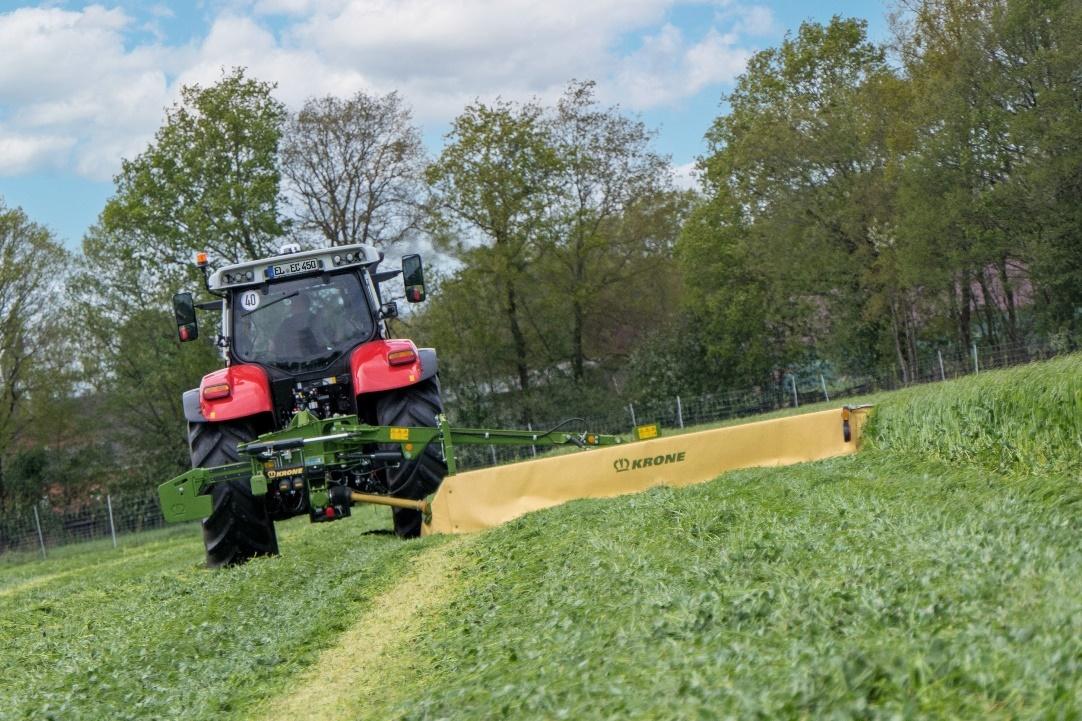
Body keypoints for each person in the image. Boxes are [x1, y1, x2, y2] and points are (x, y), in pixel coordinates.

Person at [272, 293, 328, 357]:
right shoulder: (318, 319)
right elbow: (333, 338)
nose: (292, 305)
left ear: (302, 304)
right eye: (293, 302)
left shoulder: (287, 323)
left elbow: (277, 344)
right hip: (322, 360)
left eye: (294, 302)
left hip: (294, 362)